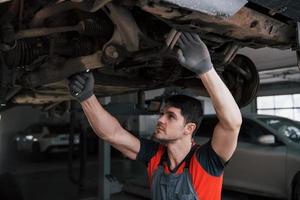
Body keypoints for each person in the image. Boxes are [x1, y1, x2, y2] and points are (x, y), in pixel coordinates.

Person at [68, 32, 242, 200]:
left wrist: (205, 69)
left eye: (170, 116)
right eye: (161, 114)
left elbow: (232, 124)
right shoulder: (155, 156)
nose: (160, 120)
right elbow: (113, 135)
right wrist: (86, 98)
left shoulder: (206, 161)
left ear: (189, 128)